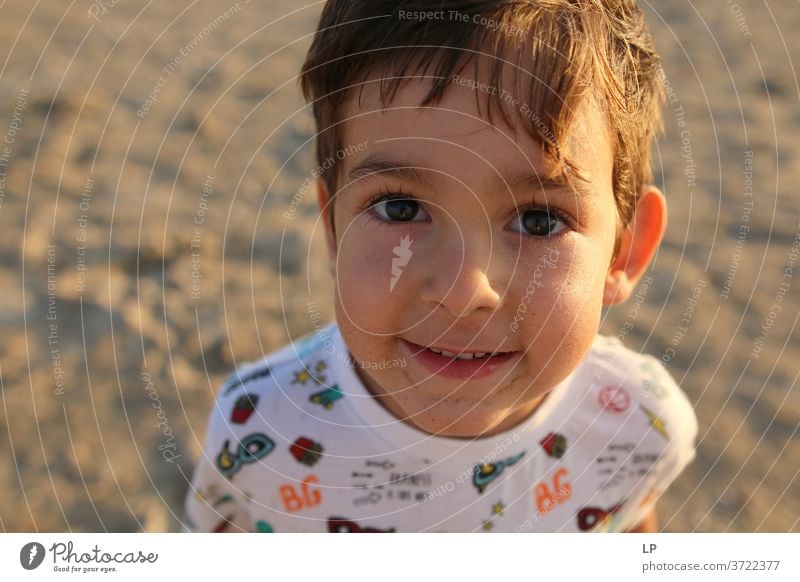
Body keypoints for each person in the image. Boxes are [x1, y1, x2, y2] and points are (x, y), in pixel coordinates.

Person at [184, 0, 697, 533]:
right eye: (400, 208)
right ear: (333, 228)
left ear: (624, 251)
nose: (463, 290)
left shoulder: (641, 423)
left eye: (540, 220)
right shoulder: (258, 428)